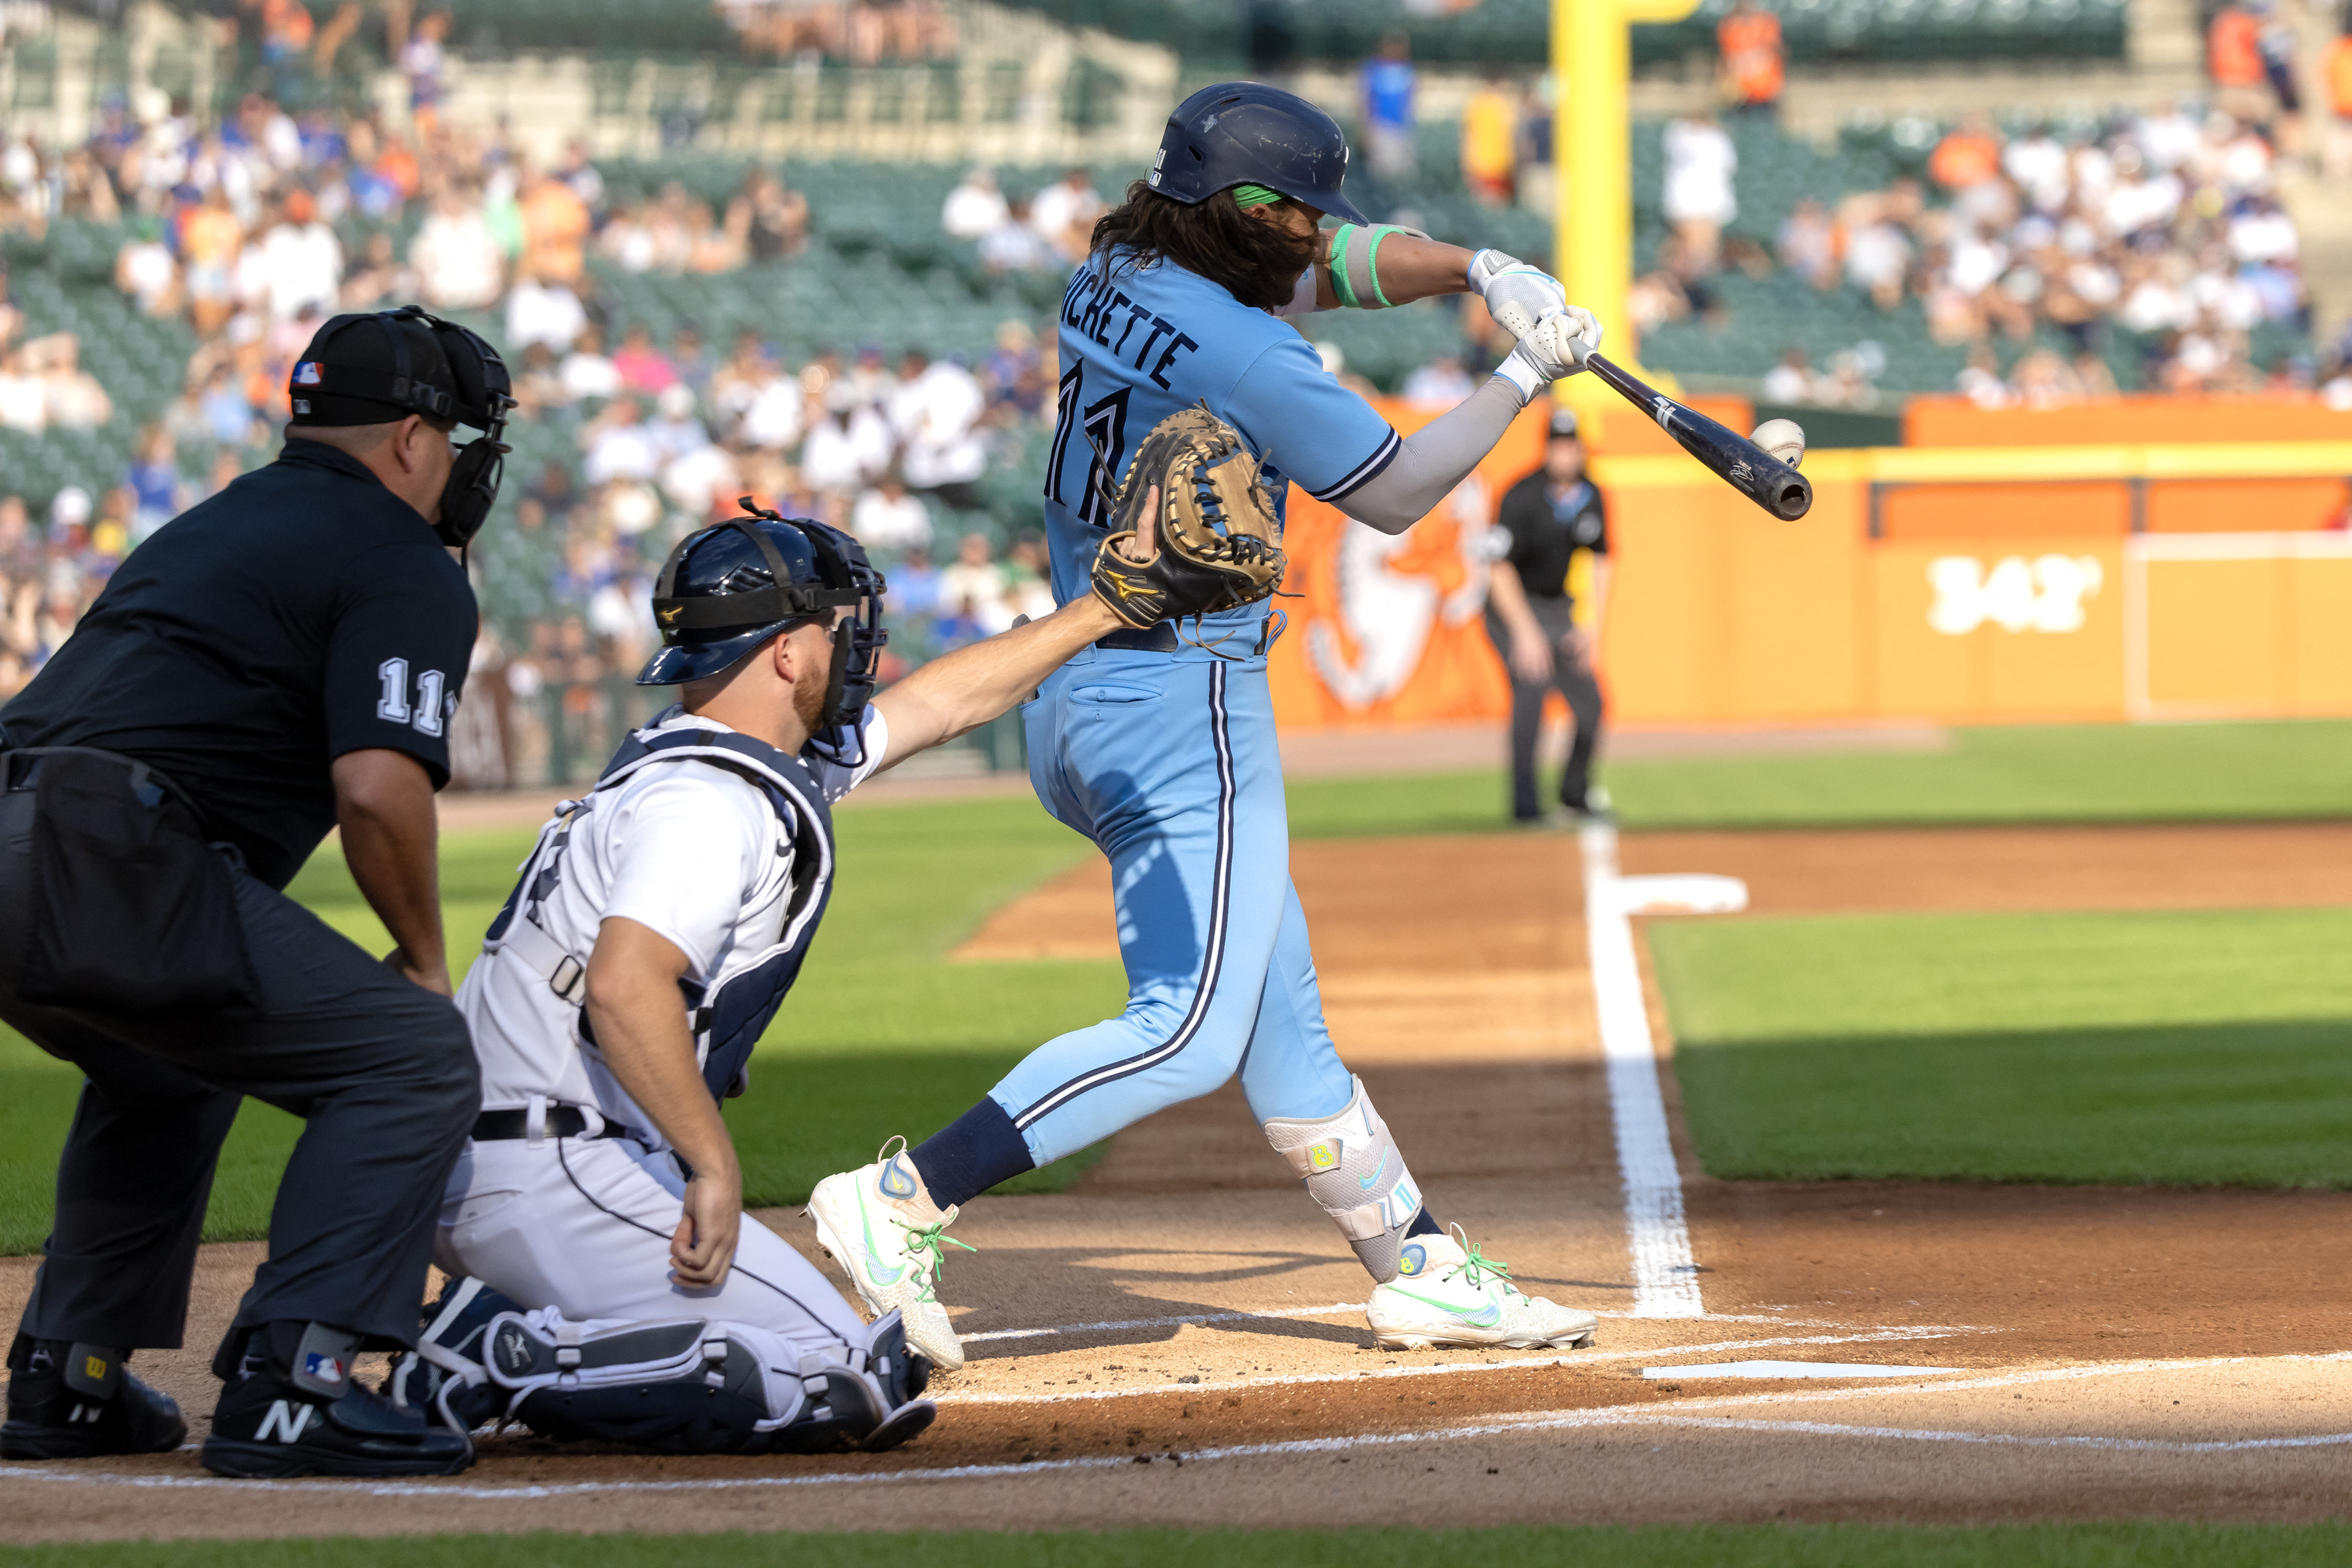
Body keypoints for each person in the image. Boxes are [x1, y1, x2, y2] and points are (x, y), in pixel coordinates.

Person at [806, 82, 1606, 1375]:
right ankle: (903, 1199)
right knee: (1190, 1027)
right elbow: (1397, 489)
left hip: (1081, 681)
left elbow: (1332, 262)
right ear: (1242, 214)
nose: (1314, 238)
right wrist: (1521, 374)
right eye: (1292, 213)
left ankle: (1416, 1266)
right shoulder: (1245, 352)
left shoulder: (1114, 265)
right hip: (1185, 700)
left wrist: (1479, 265)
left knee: (1281, 1019)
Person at [399, 497, 1196, 1455]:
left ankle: (519, 1313)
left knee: (811, 1360)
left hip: (508, 1153)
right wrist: (713, 1161)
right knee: (851, 1377)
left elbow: (942, 704)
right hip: (559, 1164)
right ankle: (499, 1349)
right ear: (786, 654)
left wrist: (1105, 606)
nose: (855, 650)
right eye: (835, 629)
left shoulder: (698, 756)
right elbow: (624, 985)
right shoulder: (712, 801)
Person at [0, 307, 515, 1478]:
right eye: (461, 439)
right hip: (104, 850)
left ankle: (68, 1375)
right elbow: (379, 789)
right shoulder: (399, 556)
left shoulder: (214, 521)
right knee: (410, 1055)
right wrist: (424, 962)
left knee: (168, 1057)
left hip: (24, 823)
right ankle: (300, 1383)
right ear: (413, 440)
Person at [1484, 406, 1610, 824]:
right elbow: (1498, 568)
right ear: (1546, 450)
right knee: (1531, 691)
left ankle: (1575, 795)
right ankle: (1526, 808)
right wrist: (1525, 634)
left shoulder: (1592, 495)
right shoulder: (1520, 495)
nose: (1565, 455)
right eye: (1557, 447)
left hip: (1558, 609)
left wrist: (1591, 630)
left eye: (1571, 446)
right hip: (1514, 608)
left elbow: (1600, 564)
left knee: (1591, 705)